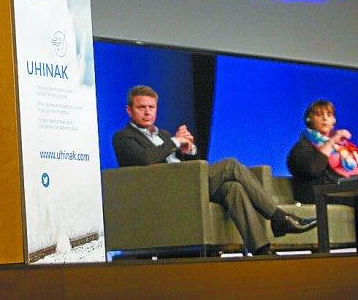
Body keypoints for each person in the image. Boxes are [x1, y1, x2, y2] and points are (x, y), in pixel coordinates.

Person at [112, 85, 317, 256]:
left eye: (151, 107)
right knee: (230, 165)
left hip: (188, 184)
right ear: (129, 111)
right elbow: (145, 160)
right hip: (166, 191)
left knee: (233, 188)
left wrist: (188, 150)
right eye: (141, 107)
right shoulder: (123, 137)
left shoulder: (163, 135)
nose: (147, 112)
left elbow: (193, 165)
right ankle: (280, 218)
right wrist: (175, 141)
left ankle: (261, 250)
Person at [287, 100, 358, 205]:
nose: (325, 118)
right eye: (319, 115)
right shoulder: (303, 146)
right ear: (309, 119)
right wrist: (331, 141)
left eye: (329, 115)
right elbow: (312, 169)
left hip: (344, 191)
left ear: (333, 120)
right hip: (320, 195)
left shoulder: (343, 146)